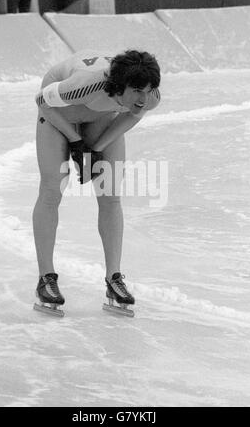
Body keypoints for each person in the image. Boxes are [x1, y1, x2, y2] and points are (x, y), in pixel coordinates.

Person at [33, 49, 161, 317]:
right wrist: (76, 142)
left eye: (148, 90)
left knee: (111, 192)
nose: (143, 98)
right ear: (119, 86)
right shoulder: (87, 83)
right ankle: (46, 277)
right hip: (59, 113)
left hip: (99, 116)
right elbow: (42, 101)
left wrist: (96, 149)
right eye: (137, 90)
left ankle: (114, 278)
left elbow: (133, 115)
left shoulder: (149, 96)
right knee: (52, 189)